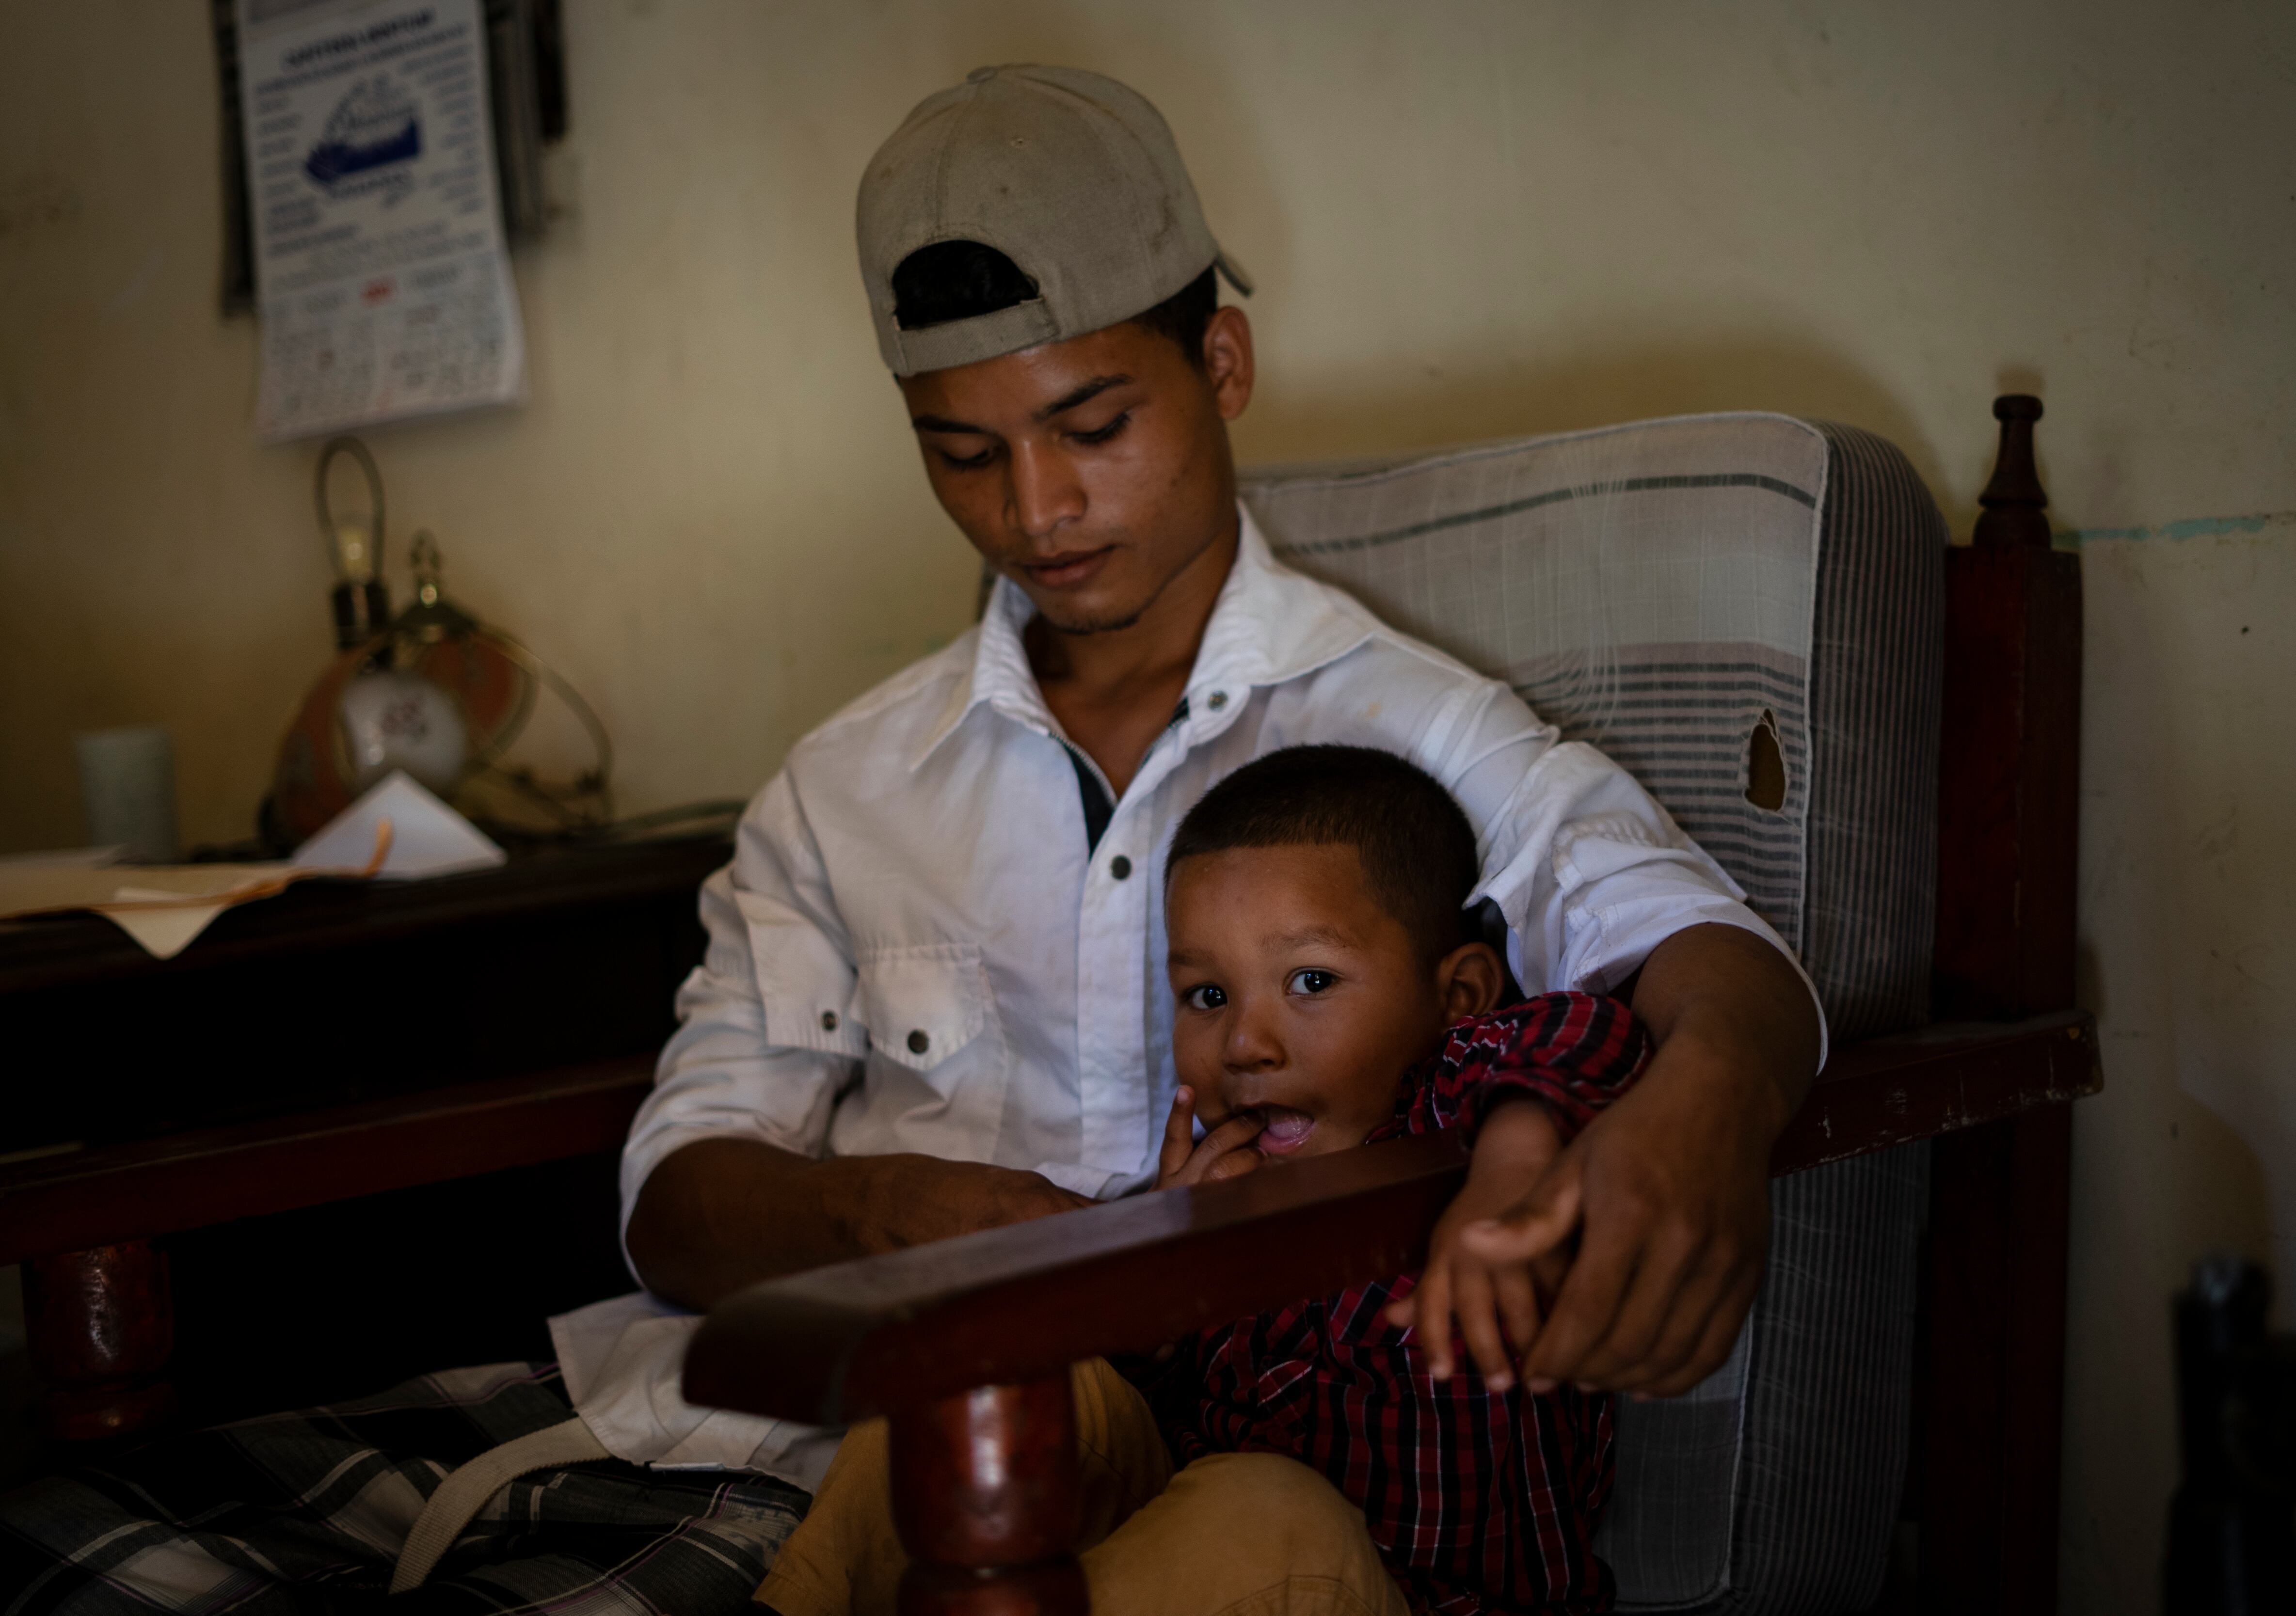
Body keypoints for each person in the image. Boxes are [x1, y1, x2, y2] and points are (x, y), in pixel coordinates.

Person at [0, 63, 1820, 1613]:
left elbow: (1675, 930)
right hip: (811, 1436)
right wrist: (887, 1212)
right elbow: (679, 1185)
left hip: (1231, 1466)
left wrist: (1713, 1097)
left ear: (1227, 364)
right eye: (962, 453)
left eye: (1093, 424)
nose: (1037, 510)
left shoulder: (1400, 731)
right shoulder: (842, 783)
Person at [756, 746, 1655, 1616]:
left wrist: (1515, 1163)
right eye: (1208, 996)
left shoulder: (1456, 1103)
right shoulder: (1221, 1170)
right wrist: (1171, 1266)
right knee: (985, 1385)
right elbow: (1170, 1413)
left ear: (1459, 996)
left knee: (1266, 1503)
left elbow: (1592, 1034)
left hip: (1416, 1596)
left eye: (1311, 980)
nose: (1246, 1044)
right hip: (1204, 1569)